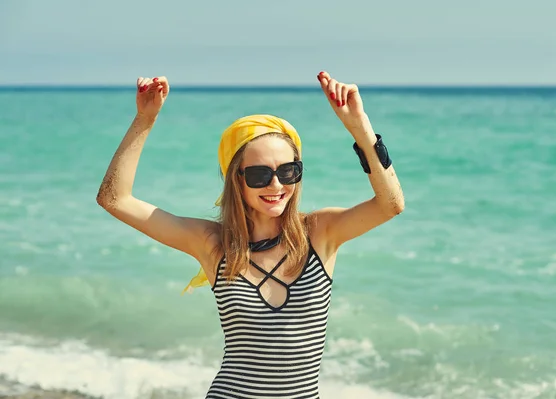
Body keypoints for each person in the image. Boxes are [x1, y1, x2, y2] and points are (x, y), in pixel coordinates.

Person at [96, 71, 404, 399]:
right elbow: (114, 199)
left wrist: (359, 125)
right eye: (259, 174)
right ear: (236, 179)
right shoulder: (213, 244)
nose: (276, 186)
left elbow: (391, 204)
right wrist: (145, 119)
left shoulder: (320, 233)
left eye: (288, 171)